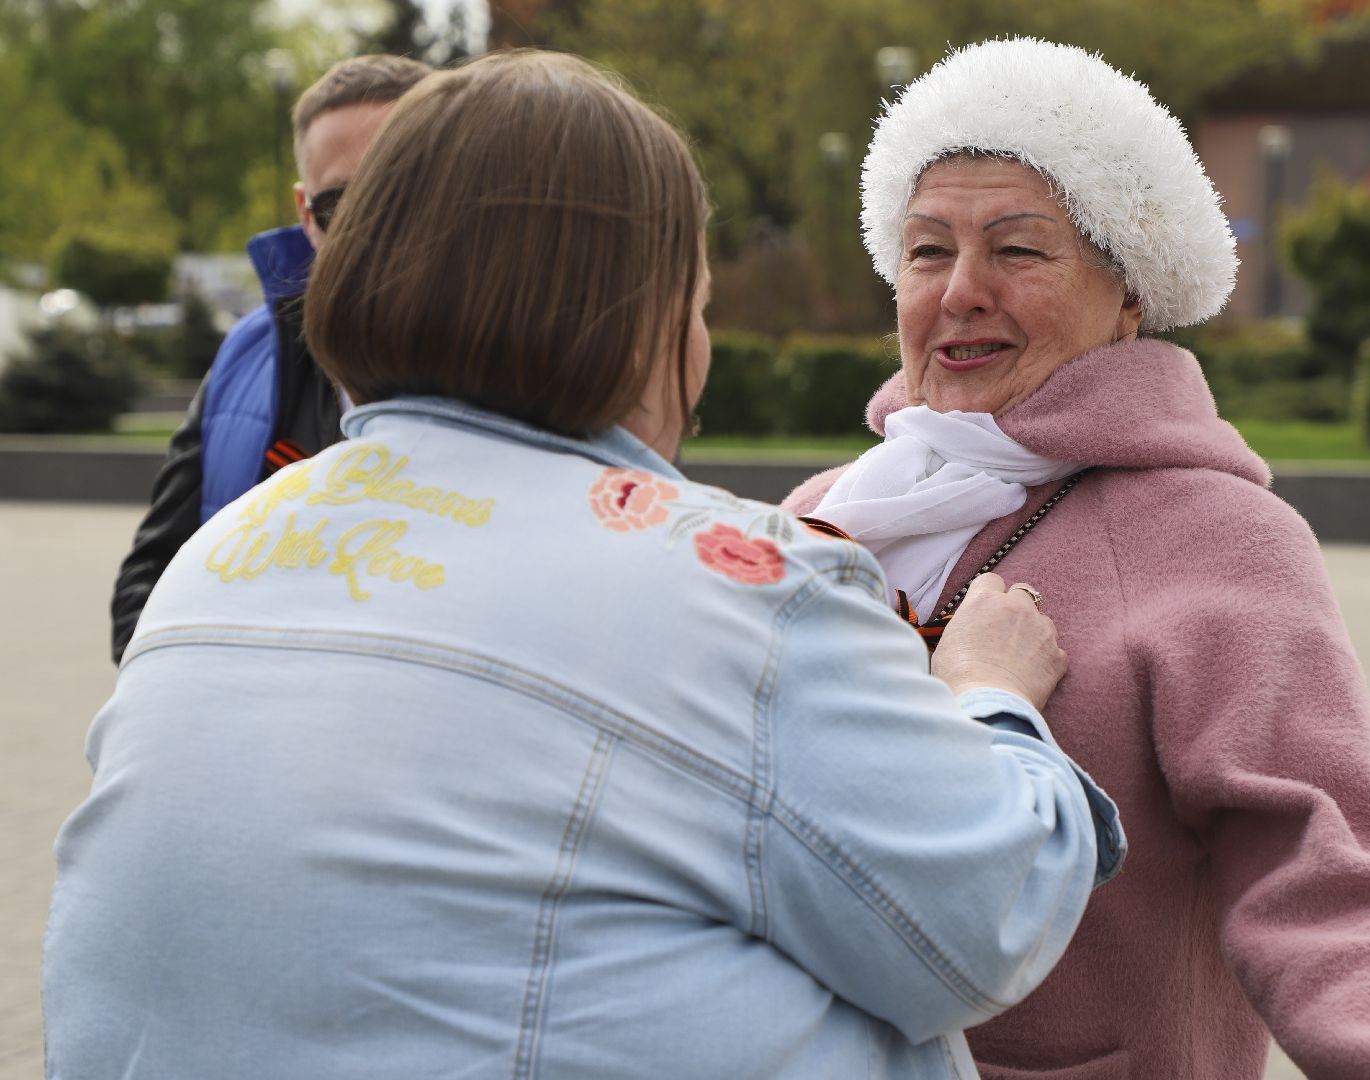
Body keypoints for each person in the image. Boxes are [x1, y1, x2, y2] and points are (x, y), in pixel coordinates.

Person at [43, 50, 1125, 1080]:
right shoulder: (743, 591)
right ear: (647, 319)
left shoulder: (219, 554)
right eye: (696, 303)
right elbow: (988, 916)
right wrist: (988, 697)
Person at [785, 38, 1370, 1080]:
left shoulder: (1217, 537)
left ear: (1130, 292)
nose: (962, 290)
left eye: (1018, 251)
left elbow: (1319, 849)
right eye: (928, 252)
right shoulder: (818, 518)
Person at [107, 54, 433, 664]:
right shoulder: (248, 353)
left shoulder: (527, 363)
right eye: (343, 204)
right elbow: (149, 583)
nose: (377, 229)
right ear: (306, 214)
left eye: (404, 192)